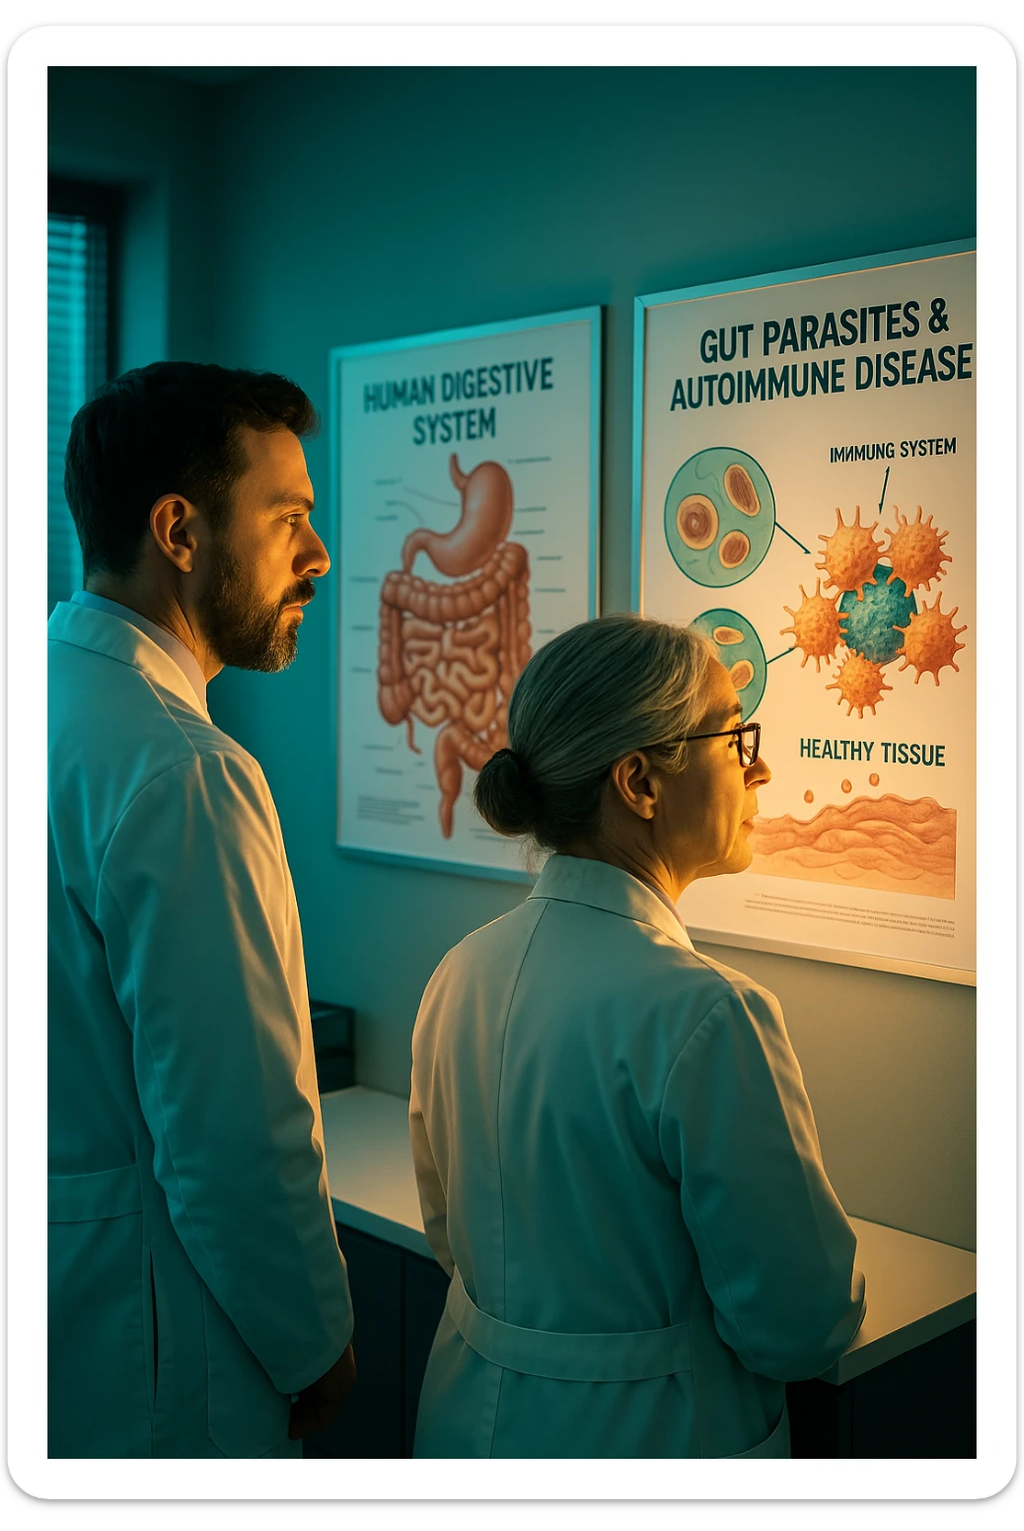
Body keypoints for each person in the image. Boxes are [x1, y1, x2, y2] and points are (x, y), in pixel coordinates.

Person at [408, 613, 866, 1459]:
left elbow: (450, 1234)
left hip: (466, 1424)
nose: (759, 766)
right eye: (735, 736)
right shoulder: (708, 1015)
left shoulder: (458, 974)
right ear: (641, 784)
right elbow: (803, 1325)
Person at [48, 361, 356, 1458]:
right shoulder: (183, 769)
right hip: (156, 1342)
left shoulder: (49, 699)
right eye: (288, 520)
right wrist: (314, 1344)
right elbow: (234, 1131)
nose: (316, 556)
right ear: (180, 531)